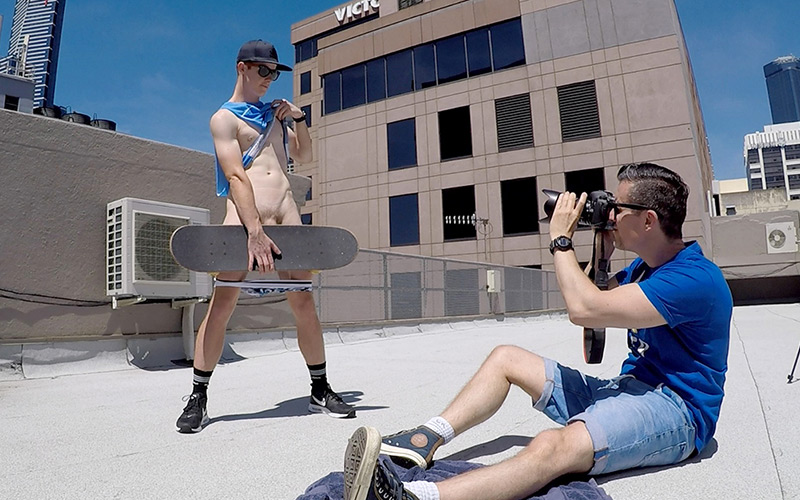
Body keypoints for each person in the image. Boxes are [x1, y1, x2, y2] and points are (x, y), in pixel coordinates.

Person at [343, 162, 732, 500]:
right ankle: (425, 439)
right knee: (506, 358)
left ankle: (415, 497)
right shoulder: (644, 269)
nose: (610, 215)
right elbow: (590, 303)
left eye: (618, 208)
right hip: (627, 389)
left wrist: (561, 240)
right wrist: (601, 255)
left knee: (551, 447)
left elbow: (583, 309)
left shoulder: (693, 279)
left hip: (677, 411)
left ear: (648, 220)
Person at [176, 40, 355, 433]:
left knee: (304, 305)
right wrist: (254, 231)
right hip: (243, 224)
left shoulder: (275, 116)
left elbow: (304, 157)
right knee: (221, 307)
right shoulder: (223, 119)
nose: (270, 79)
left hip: (288, 218)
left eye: (275, 73)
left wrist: (299, 118)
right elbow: (236, 176)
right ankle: (198, 398)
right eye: (264, 71)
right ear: (242, 68)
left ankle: (319, 390)